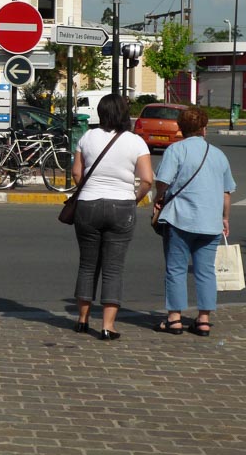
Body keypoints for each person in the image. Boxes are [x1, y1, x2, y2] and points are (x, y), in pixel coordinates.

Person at [70, 94, 154, 340]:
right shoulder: (135, 142)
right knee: (113, 269)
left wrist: (87, 189)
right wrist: (134, 198)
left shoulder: (87, 137)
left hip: (88, 204)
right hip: (122, 205)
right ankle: (108, 326)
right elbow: (147, 179)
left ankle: (82, 320)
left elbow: (76, 172)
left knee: (87, 265)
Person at [153, 106, 235, 338]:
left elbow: (163, 182)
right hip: (210, 221)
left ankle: (174, 319)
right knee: (206, 271)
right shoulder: (218, 155)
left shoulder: (176, 150)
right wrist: (225, 218)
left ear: (180, 128)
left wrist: (159, 200)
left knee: (176, 268)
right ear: (204, 128)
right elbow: (226, 192)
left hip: (180, 218)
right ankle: (204, 320)